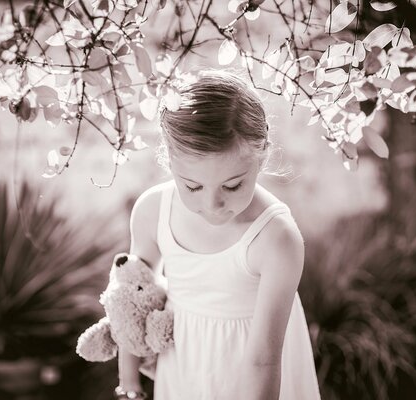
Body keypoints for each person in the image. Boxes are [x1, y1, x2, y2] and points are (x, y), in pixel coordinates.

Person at [116, 70, 321, 400]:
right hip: (184, 370)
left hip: (255, 378)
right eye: (193, 186)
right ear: (169, 161)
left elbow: (264, 361)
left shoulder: (276, 239)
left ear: (262, 156)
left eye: (232, 185)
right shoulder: (153, 211)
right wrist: (129, 386)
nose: (212, 205)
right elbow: (132, 302)